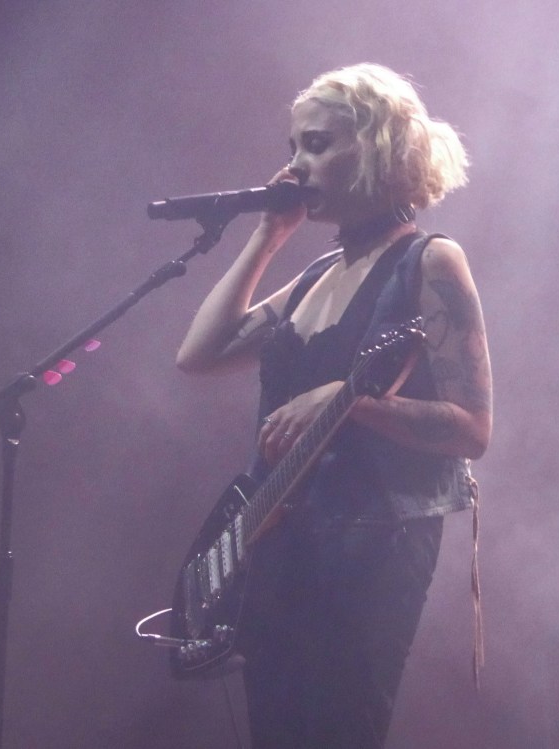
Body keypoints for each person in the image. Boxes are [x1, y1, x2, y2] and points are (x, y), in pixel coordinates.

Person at [176, 63, 492, 749]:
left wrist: (348, 403)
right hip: (277, 543)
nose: (296, 165)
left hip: (370, 544)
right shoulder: (317, 275)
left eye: (317, 145)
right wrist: (269, 236)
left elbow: (472, 428)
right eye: (294, 147)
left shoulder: (429, 262)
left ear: (379, 147)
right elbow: (198, 354)